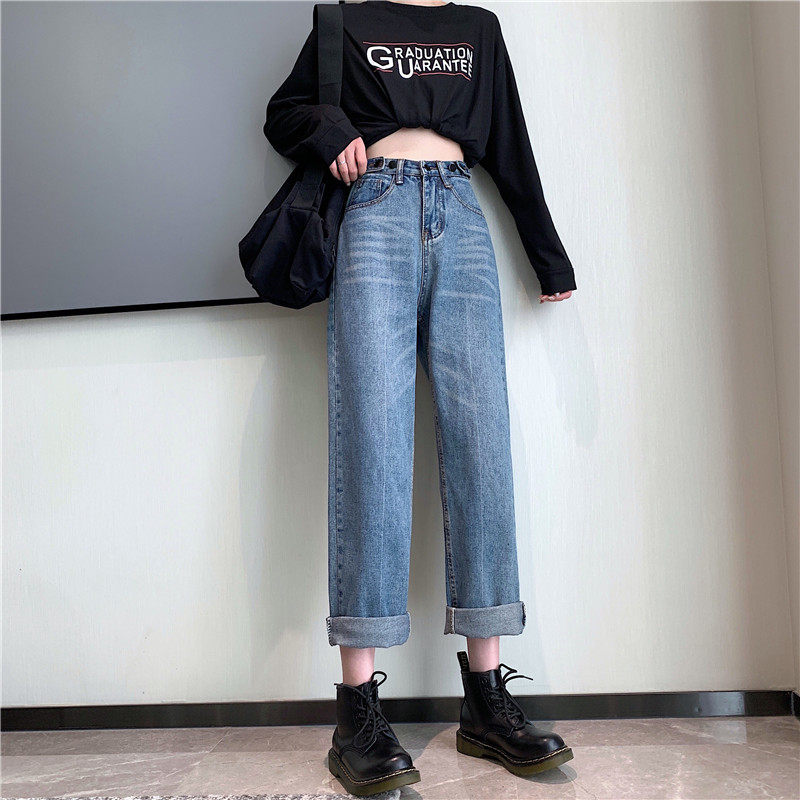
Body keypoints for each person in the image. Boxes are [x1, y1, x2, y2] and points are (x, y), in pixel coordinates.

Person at [264, 0, 576, 794]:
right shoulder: (345, 22)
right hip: (373, 213)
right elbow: (285, 112)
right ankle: (356, 714)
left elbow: (509, 141)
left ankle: (486, 703)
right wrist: (333, 134)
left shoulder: (478, 29)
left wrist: (547, 255)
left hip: (461, 215)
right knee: (372, 438)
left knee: (481, 443)